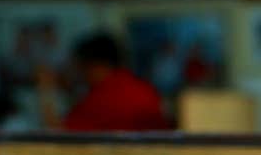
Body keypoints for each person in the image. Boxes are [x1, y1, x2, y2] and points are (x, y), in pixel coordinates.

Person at [38, 32, 171, 132]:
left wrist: (46, 89)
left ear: (95, 66)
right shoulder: (141, 87)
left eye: (80, 67)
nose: (79, 74)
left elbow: (58, 133)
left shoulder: (105, 95)